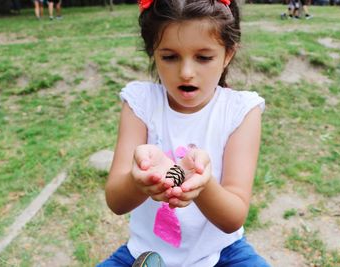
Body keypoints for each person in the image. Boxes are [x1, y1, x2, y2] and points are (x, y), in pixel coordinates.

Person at [98, 0, 270, 266]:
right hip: (144, 254)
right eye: (169, 57)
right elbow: (116, 202)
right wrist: (139, 180)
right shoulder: (140, 103)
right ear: (152, 52)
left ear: (228, 54)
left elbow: (233, 217)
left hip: (223, 254)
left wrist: (203, 184)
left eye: (203, 57)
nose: (186, 72)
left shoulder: (241, 110)